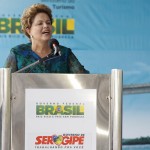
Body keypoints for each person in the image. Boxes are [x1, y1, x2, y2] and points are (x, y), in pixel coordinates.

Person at [4, 3, 89, 74]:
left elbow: (85, 79)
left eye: (48, 23)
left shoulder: (64, 53)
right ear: (29, 30)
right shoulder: (18, 53)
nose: (46, 26)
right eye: (40, 23)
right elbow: (4, 83)